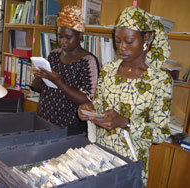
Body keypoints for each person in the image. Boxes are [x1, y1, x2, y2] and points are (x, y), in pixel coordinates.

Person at [78, 6, 172, 187]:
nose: (121, 47)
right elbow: (98, 104)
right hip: (99, 158)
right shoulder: (108, 70)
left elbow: (161, 133)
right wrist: (87, 110)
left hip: (131, 163)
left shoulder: (160, 80)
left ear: (146, 38)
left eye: (129, 41)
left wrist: (125, 122)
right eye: (117, 41)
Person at [32, 5, 100, 135]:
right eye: (60, 36)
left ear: (80, 35)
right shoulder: (54, 55)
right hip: (44, 122)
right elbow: (38, 88)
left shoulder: (88, 61)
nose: (62, 42)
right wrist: (40, 76)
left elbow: (87, 99)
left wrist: (59, 82)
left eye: (68, 37)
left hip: (70, 129)